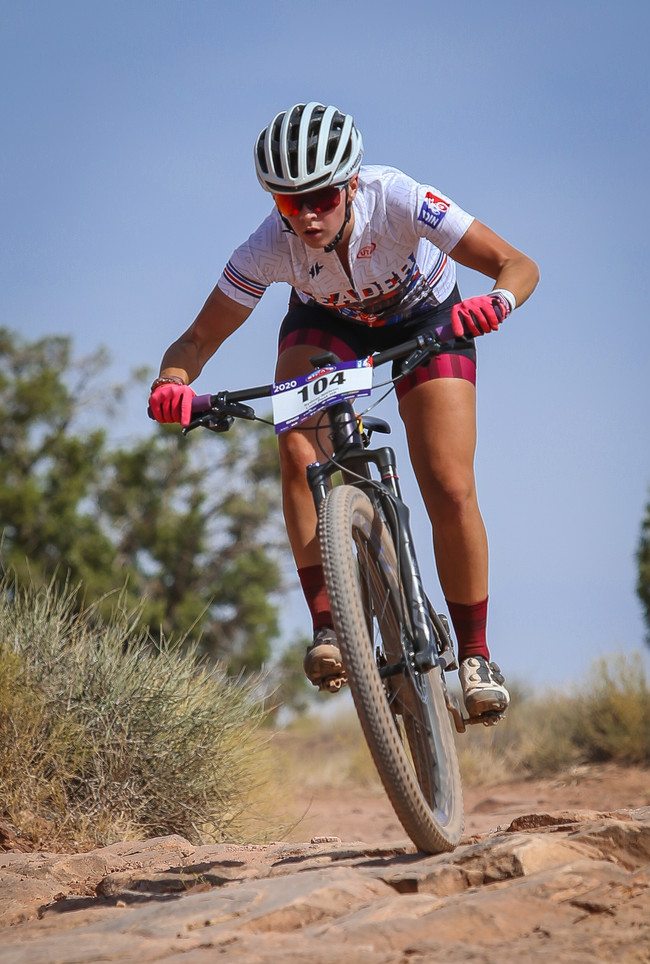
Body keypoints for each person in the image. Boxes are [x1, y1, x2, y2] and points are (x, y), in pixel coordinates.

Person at [149, 102, 539, 717]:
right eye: (289, 203)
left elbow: (517, 265)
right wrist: (172, 381)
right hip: (330, 326)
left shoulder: (400, 199)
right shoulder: (268, 247)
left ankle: (475, 655)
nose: (307, 216)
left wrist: (498, 302)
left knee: (448, 483)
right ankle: (330, 625)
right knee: (296, 445)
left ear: (352, 184)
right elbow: (195, 341)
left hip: (427, 320)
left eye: (322, 198)